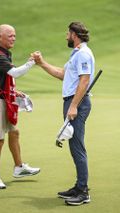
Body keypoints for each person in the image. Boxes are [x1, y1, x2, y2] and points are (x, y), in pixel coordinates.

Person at [32, 21, 94, 206]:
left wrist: (73, 106)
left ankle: (83, 192)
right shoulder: (76, 53)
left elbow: (84, 80)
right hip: (72, 102)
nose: (66, 36)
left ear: (74, 34)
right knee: (74, 147)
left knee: (77, 147)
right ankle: (79, 186)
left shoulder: (83, 53)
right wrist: (41, 63)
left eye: (68, 33)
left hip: (77, 103)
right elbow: (62, 73)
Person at [0, 24, 40, 189]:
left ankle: (19, 167)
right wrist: (31, 62)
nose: (13, 38)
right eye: (10, 36)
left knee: (14, 132)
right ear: (0, 37)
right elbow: (15, 73)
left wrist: (14, 91)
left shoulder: (3, 54)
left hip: (2, 99)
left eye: (14, 35)